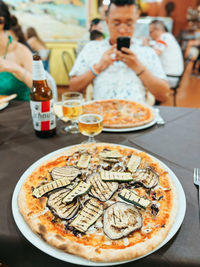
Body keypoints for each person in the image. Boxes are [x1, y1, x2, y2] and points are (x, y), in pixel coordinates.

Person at [70, 0, 170, 104]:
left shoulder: (146, 52)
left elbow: (164, 95)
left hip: (137, 116)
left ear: (136, 20)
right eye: (116, 23)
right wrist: (98, 67)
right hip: (101, 115)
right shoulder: (92, 48)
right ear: (107, 21)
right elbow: (73, 87)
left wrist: (138, 67)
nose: (122, 30)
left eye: (129, 23)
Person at [0, 0, 32, 101]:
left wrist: (16, 68)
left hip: (19, 111)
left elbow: (46, 88)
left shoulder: (20, 51)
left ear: (1, 22)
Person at [144, 20, 184, 88]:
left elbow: (154, 55)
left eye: (151, 32)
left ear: (158, 30)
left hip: (170, 77)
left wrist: (146, 45)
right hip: (173, 75)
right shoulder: (167, 37)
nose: (150, 35)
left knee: (143, 76)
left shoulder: (164, 37)